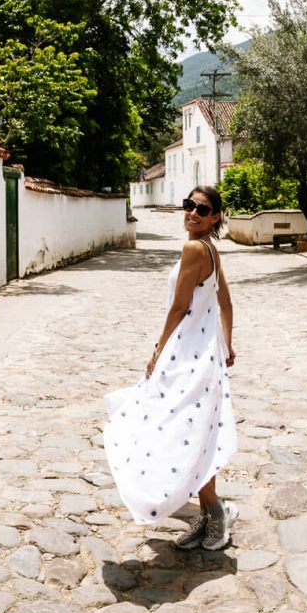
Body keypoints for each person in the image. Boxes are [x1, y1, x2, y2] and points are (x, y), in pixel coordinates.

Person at [103, 185, 238, 550]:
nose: (192, 212)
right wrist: (227, 344)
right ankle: (208, 514)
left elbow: (179, 309)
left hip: (186, 359)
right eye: (188, 205)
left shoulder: (196, 248)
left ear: (216, 217)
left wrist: (157, 351)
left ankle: (215, 514)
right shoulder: (211, 248)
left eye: (202, 208)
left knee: (182, 436)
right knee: (190, 435)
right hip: (203, 355)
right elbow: (225, 301)